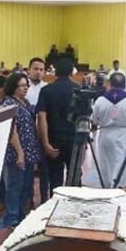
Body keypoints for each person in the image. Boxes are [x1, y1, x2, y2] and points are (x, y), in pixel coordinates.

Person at [89, 73, 126, 191]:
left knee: (106, 165)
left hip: (105, 135)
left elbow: (94, 120)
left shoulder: (101, 100)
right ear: (124, 85)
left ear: (109, 84)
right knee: (125, 166)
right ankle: (123, 191)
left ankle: (107, 190)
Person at [0, 73, 41, 228]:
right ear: (13, 87)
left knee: (26, 186)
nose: (25, 88)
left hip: (29, 150)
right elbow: (12, 130)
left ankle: (21, 215)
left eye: (26, 85)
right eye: (22, 85)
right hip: (17, 152)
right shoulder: (9, 104)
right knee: (15, 186)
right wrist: (20, 153)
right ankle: (11, 218)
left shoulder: (25, 102)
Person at [36, 57, 76, 201]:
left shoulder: (46, 90)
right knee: (75, 177)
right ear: (72, 72)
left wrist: (46, 143)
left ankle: (54, 208)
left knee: (55, 178)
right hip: (74, 140)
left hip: (53, 139)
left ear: (54, 72)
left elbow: (42, 117)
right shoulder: (78, 90)